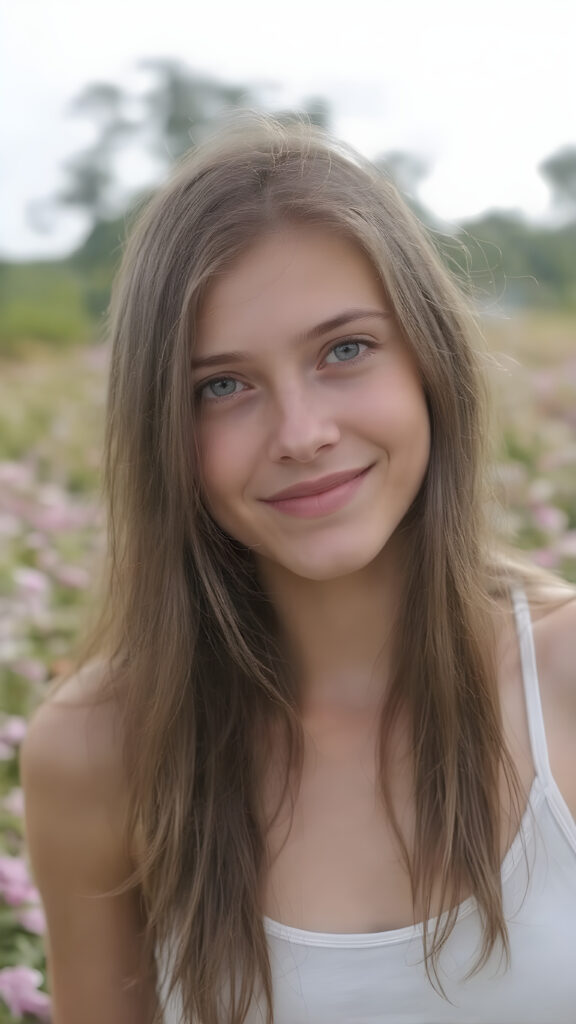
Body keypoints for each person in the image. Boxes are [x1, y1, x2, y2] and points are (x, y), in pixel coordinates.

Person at [21, 115, 576, 1024]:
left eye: (345, 350)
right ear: (164, 429)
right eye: (223, 386)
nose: (301, 433)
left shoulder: (566, 677)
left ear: (429, 362)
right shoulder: (99, 753)